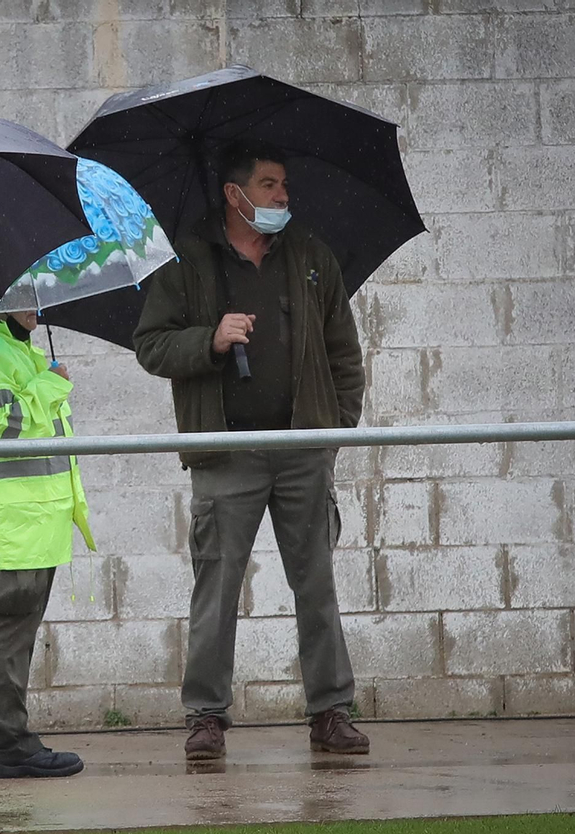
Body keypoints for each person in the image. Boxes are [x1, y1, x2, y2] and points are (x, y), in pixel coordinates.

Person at [131, 140, 369, 761]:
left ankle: (331, 711)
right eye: (269, 185)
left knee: (316, 585)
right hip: (225, 452)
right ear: (234, 194)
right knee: (216, 588)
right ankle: (206, 716)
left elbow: (345, 356)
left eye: (284, 185)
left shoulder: (311, 256)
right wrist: (208, 340)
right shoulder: (187, 260)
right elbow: (151, 345)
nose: (282, 196)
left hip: (301, 448)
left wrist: (331, 436)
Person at [0, 308, 94, 779]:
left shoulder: (20, 349)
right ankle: (8, 745)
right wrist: (50, 386)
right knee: (7, 630)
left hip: (34, 517)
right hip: (13, 516)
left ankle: (12, 741)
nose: (35, 303)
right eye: (24, 289)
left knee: (16, 634)